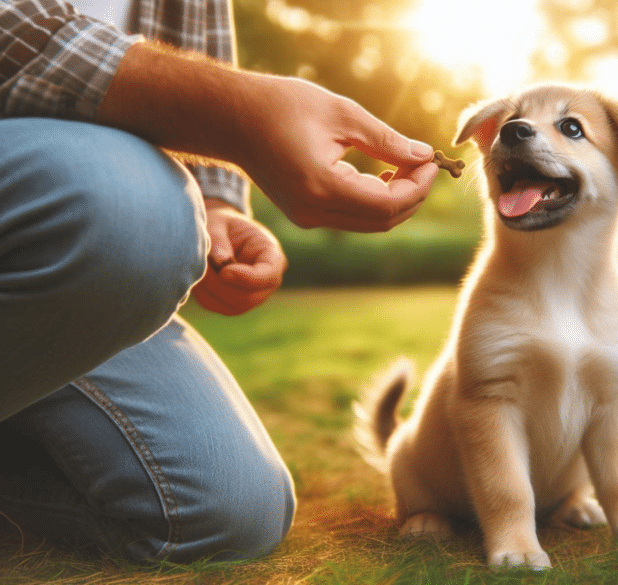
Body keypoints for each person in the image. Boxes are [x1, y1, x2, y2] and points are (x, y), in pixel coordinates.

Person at [0, 0, 440, 563]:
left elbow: (185, 54)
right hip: (91, 202)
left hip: (72, 249)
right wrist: (241, 113)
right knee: (133, 211)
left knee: (227, 513)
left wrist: (211, 205)